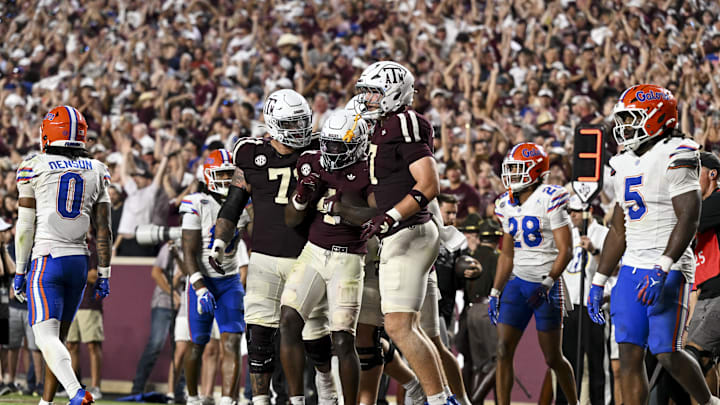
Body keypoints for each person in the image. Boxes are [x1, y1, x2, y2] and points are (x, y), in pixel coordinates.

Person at [586, 84, 720, 405]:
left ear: (658, 118)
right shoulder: (623, 163)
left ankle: (709, 402)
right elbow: (619, 230)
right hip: (632, 266)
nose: (625, 126)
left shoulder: (678, 152)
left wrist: (663, 266)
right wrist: (599, 280)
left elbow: (688, 217)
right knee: (628, 355)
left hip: (668, 265)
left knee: (666, 352)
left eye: (633, 118)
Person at [208, 89, 335, 405]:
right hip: (264, 256)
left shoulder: (318, 148)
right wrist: (220, 241)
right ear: (273, 123)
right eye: (291, 124)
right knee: (259, 337)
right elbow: (234, 202)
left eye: (301, 123)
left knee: (315, 335)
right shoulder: (250, 153)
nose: (299, 130)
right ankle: (262, 400)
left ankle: (326, 389)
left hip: (307, 255)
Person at [353, 61, 446, 405]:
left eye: (374, 92)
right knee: (409, 329)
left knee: (399, 328)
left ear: (394, 92)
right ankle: (440, 396)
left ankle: (438, 399)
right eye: (365, 92)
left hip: (409, 229)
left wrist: (389, 217)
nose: (368, 99)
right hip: (401, 231)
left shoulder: (405, 122)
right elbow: (387, 185)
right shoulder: (382, 125)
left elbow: (429, 183)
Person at [13, 105, 112, 405]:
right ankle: (46, 402)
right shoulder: (97, 169)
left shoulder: (35, 165)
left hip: (47, 260)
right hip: (79, 262)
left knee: (45, 337)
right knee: (59, 341)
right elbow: (104, 230)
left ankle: (76, 391)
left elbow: (25, 227)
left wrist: (19, 271)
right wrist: (105, 274)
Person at [280, 109, 372, 405]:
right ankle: (295, 400)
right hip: (314, 251)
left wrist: (340, 208)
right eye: (328, 144)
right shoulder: (311, 162)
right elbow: (292, 220)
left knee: (343, 338)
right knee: (289, 320)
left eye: (339, 146)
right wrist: (301, 198)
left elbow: (375, 215)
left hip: (348, 259)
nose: (331, 152)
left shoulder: (368, 170)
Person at [490, 142, 577, 405]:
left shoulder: (551, 197)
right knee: (503, 349)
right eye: (511, 169)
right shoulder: (505, 203)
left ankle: (573, 403)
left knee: (552, 357)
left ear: (536, 171)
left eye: (519, 169)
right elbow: (507, 253)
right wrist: (496, 290)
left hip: (545, 283)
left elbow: (566, 250)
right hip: (517, 283)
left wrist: (549, 282)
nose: (513, 175)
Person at [180, 149, 248, 405]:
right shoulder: (196, 202)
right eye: (222, 174)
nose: (227, 180)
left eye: (231, 175)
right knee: (198, 344)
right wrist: (199, 287)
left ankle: (229, 400)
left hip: (230, 280)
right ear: (208, 176)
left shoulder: (244, 204)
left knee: (231, 343)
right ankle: (194, 397)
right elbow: (189, 252)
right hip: (203, 279)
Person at [556, 195, 611, 405]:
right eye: (570, 212)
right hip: (570, 305)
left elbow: (613, 269)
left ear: (588, 212)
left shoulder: (604, 233)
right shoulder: (567, 234)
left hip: (592, 304)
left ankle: (600, 402)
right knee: (567, 360)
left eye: (576, 212)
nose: (572, 216)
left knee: (596, 362)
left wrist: (594, 251)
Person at [455, 217, 501, 403]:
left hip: (470, 310)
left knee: (478, 365)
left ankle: (471, 399)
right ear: (498, 239)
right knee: (498, 362)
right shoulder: (498, 258)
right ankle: (475, 400)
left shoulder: (470, 257)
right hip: (488, 310)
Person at [131, 241, 185, 396]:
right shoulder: (169, 247)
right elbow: (155, 273)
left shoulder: (196, 248)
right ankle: (137, 388)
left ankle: (178, 392)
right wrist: (172, 292)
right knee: (155, 345)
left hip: (183, 305)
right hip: (163, 303)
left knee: (181, 349)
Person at [686, 151, 720, 394]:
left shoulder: (717, 201)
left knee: (696, 355)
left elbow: (689, 221)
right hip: (706, 290)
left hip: (719, 292)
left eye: (695, 173)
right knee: (703, 361)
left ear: (712, 174)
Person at [66, 239, 105, 400]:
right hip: (71, 303)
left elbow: (95, 275)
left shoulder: (93, 248)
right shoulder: (67, 246)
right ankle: (74, 387)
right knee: (71, 345)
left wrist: (73, 274)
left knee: (92, 345)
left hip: (89, 303)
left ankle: (96, 387)